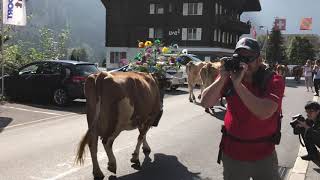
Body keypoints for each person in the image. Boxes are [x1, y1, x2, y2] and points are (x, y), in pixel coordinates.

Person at [201, 37, 285, 180]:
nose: (243, 62)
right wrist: (222, 78)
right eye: (239, 57)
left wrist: (238, 85)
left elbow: (264, 112)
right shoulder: (229, 77)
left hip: (264, 155)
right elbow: (205, 102)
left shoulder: (273, 80)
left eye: (248, 58)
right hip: (234, 155)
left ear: (259, 60)